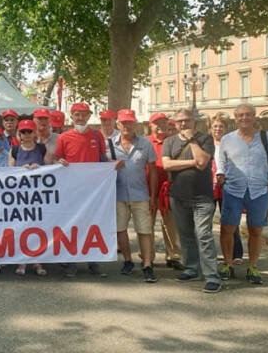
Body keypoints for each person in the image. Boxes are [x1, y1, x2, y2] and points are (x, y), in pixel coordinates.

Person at [217, 104, 268, 284]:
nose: (244, 118)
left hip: (260, 191)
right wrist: (223, 182)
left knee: (256, 229)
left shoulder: (266, 137)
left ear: (254, 117)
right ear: (235, 119)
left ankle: (252, 267)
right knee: (227, 228)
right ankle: (227, 264)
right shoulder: (227, 139)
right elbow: (221, 165)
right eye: (239, 115)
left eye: (247, 115)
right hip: (233, 190)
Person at [163, 108, 221, 293]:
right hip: (178, 197)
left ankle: (212, 276)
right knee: (186, 235)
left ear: (194, 121)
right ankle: (191, 268)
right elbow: (167, 164)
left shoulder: (205, 139)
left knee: (203, 236)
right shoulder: (169, 141)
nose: (183, 124)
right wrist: (191, 163)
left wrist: (191, 140)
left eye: (187, 120)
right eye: (179, 121)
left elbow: (203, 161)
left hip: (202, 198)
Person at [55, 102, 110, 278]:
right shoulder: (64, 137)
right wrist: (59, 163)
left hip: (94, 190)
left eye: (84, 114)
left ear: (89, 116)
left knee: (93, 224)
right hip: (72, 190)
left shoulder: (97, 135)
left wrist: (113, 167)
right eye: (77, 114)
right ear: (71, 116)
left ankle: (93, 261)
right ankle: (71, 263)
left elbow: (103, 160)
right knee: (72, 224)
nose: (80, 118)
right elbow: (57, 159)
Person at [112, 109, 158, 283]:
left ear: (135, 124)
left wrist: (153, 195)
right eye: (123, 123)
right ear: (118, 124)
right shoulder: (110, 144)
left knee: (145, 230)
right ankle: (127, 260)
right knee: (120, 229)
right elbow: (101, 167)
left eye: (130, 122)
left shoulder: (145, 144)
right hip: (118, 194)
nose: (127, 126)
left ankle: (147, 264)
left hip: (140, 194)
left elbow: (152, 170)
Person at [9, 119, 53, 276]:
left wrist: (39, 168)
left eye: (29, 131)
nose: (26, 135)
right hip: (20, 196)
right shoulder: (14, 150)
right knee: (22, 228)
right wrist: (22, 170)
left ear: (35, 133)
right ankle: (22, 262)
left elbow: (51, 167)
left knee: (38, 228)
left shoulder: (42, 148)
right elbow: (9, 172)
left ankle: (37, 262)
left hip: (38, 196)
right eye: (23, 132)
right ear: (19, 134)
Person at [146, 113, 182, 270]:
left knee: (171, 224)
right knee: (147, 224)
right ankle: (148, 256)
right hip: (148, 188)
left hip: (169, 188)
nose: (160, 125)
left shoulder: (174, 141)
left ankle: (174, 255)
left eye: (163, 122)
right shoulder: (145, 142)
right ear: (150, 125)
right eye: (156, 122)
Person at [209, 113, 243, 265]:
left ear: (226, 128)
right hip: (209, 186)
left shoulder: (232, 143)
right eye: (215, 126)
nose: (218, 129)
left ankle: (236, 254)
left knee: (231, 221)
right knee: (206, 222)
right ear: (210, 128)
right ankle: (209, 253)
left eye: (221, 126)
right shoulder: (206, 143)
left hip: (227, 186)